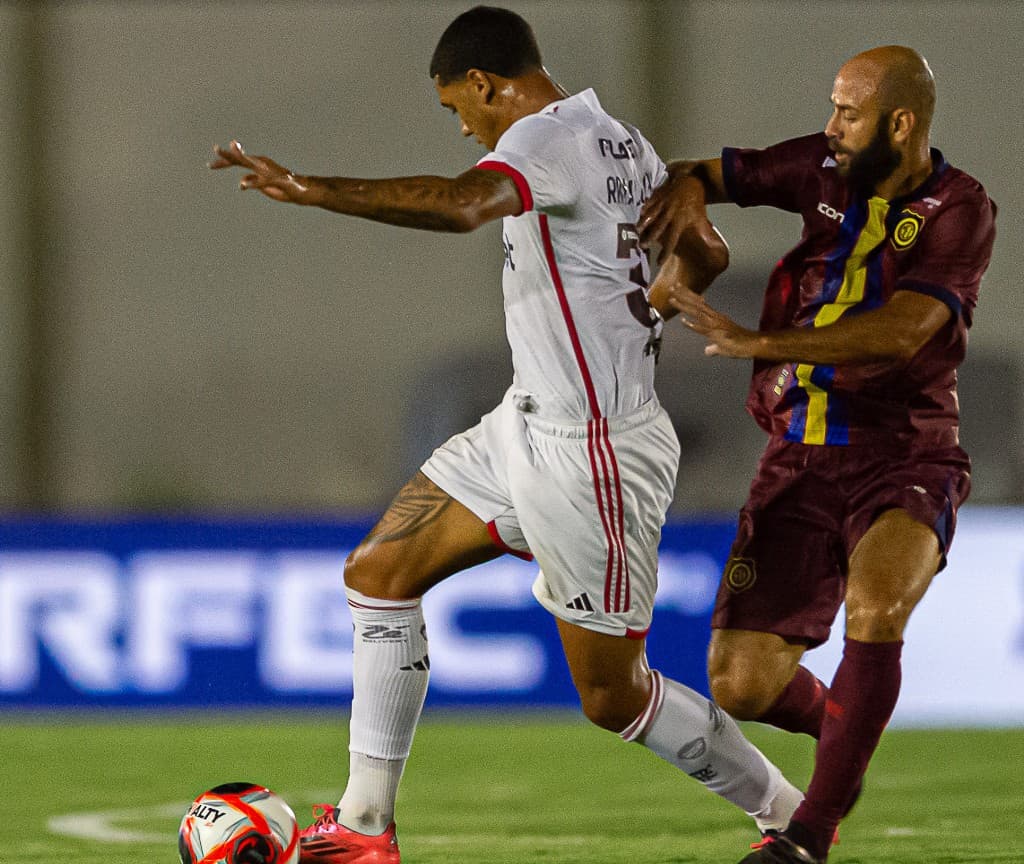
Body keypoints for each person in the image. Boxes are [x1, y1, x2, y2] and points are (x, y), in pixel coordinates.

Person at [211, 6, 804, 864]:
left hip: (591, 450)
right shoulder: (621, 141)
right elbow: (706, 249)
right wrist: (667, 289)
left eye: (461, 108)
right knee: (378, 573)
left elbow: (462, 207)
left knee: (614, 697)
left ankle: (792, 815)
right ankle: (365, 829)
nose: (465, 127)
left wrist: (310, 188)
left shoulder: (542, 141)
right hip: (525, 423)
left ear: (487, 85)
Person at [639, 45, 997, 864]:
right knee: (741, 684)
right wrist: (684, 246)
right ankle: (848, 738)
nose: (830, 126)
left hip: (905, 451)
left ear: (900, 124)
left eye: (849, 111)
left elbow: (906, 329)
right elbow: (696, 173)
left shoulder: (959, 207)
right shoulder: (818, 167)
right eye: (832, 107)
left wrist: (759, 338)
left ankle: (807, 835)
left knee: (877, 610)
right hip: (796, 455)